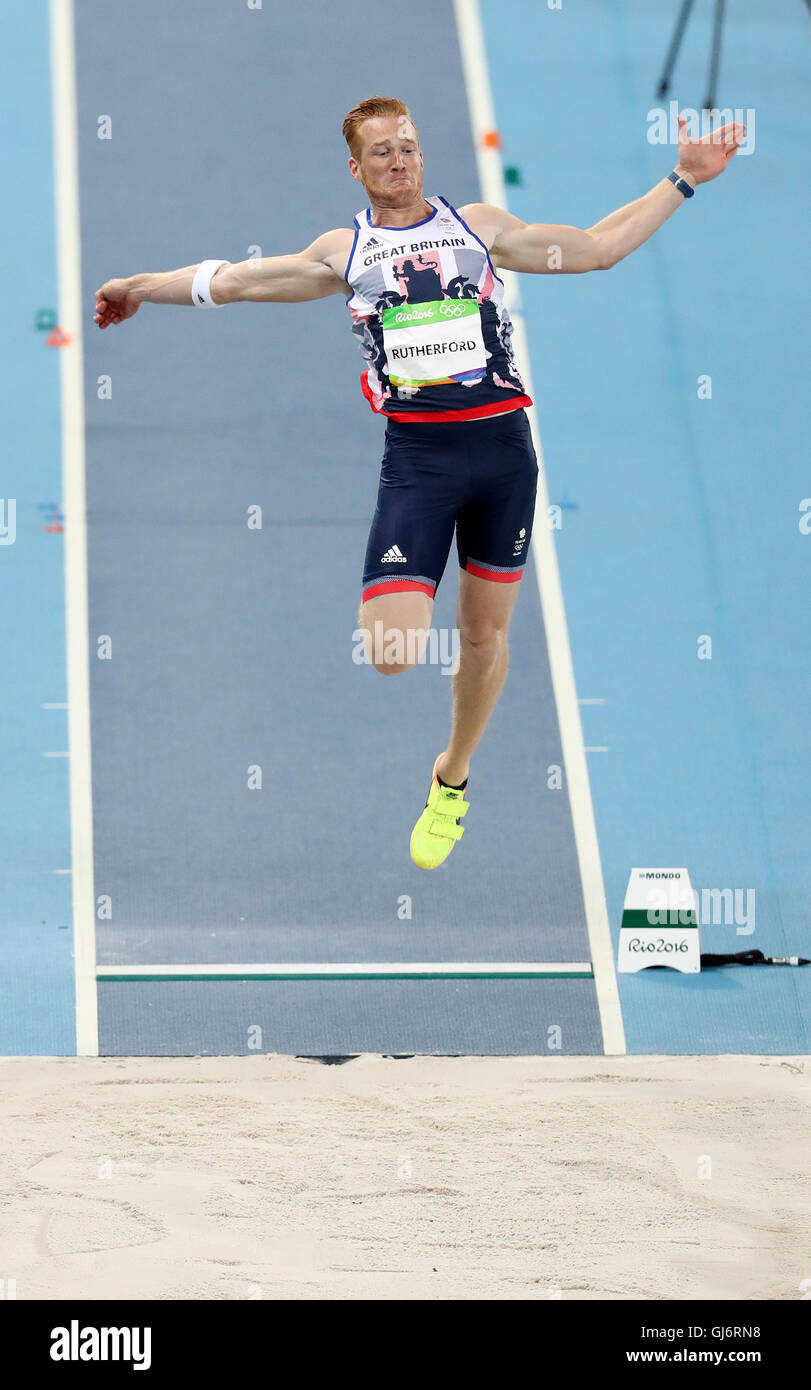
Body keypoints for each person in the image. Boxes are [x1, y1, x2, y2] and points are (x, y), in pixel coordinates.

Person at [94, 95, 744, 869]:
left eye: (407, 146)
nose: (398, 160)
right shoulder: (344, 250)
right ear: (356, 168)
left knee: (482, 634)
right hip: (420, 463)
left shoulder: (478, 227)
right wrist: (136, 284)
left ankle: (451, 777)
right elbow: (232, 281)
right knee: (396, 650)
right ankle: (424, 632)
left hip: (503, 455)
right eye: (380, 152)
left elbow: (599, 249)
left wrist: (682, 178)